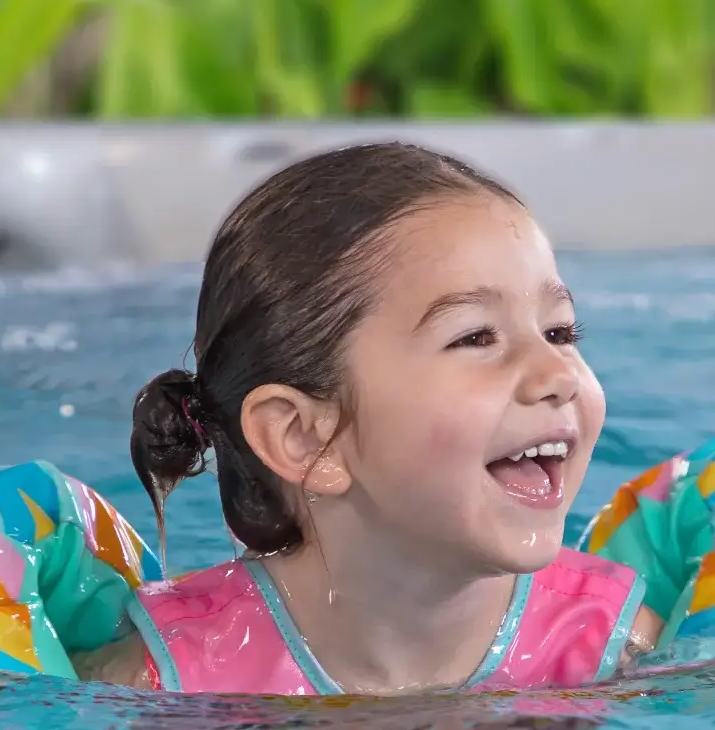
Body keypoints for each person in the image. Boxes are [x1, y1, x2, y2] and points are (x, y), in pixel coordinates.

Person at [75, 143, 658, 695]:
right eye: (476, 337)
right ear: (306, 437)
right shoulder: (166, 680)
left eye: (560, 331)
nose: (559, 374)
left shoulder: (610, 646)